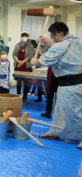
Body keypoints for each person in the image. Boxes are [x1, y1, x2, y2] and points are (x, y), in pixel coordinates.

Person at [31, 22, 82, 150]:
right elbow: (61, 47)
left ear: (57, 35)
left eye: (52, 36)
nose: (52, 39)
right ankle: (55, 131)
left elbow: (44, 60)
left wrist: (35, 61)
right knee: (59, 110)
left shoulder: (59, 47)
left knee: (76, 112)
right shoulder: (75, 41)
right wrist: (47, 41)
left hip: (71, 86)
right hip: (71, 84)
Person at [12, 31, 34, 101]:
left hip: (26, 66)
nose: (24, 38)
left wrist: (22, 62)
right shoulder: (17, 45)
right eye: (23, 36)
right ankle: (18, 94)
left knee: (26, 81)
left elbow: (30, 55)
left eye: (26, 36)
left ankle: (25, 95)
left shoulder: (30, 46)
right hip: (18, 66)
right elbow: (14, 54)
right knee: (18, 81)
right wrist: (18, 62)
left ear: (28, 37)